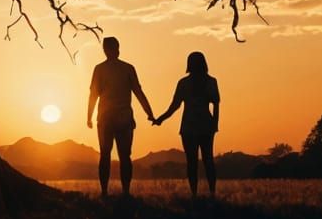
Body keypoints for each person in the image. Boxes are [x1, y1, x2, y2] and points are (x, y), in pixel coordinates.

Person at [86, 36, 154, 195]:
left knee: (105, 155)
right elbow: (138, 92)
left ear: (105, 50)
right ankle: (125, 192)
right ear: (117, 48)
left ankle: (105, 192)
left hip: (106, 119)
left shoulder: (100, 69)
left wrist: (88, 116)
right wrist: (149, 113)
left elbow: (93, 95)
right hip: (123, 119)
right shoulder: (128, 68)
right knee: (125, 156)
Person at [152, 51, 221, 198]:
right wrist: (214, 124)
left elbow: (174, 106)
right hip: (204, 125)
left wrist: (161, 119)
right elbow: (216, 104)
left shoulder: (184, 83)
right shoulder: (210, 81)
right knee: (208, 159)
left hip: (190, 126)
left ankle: (195, 194)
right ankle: (211, 193)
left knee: (192, 162)